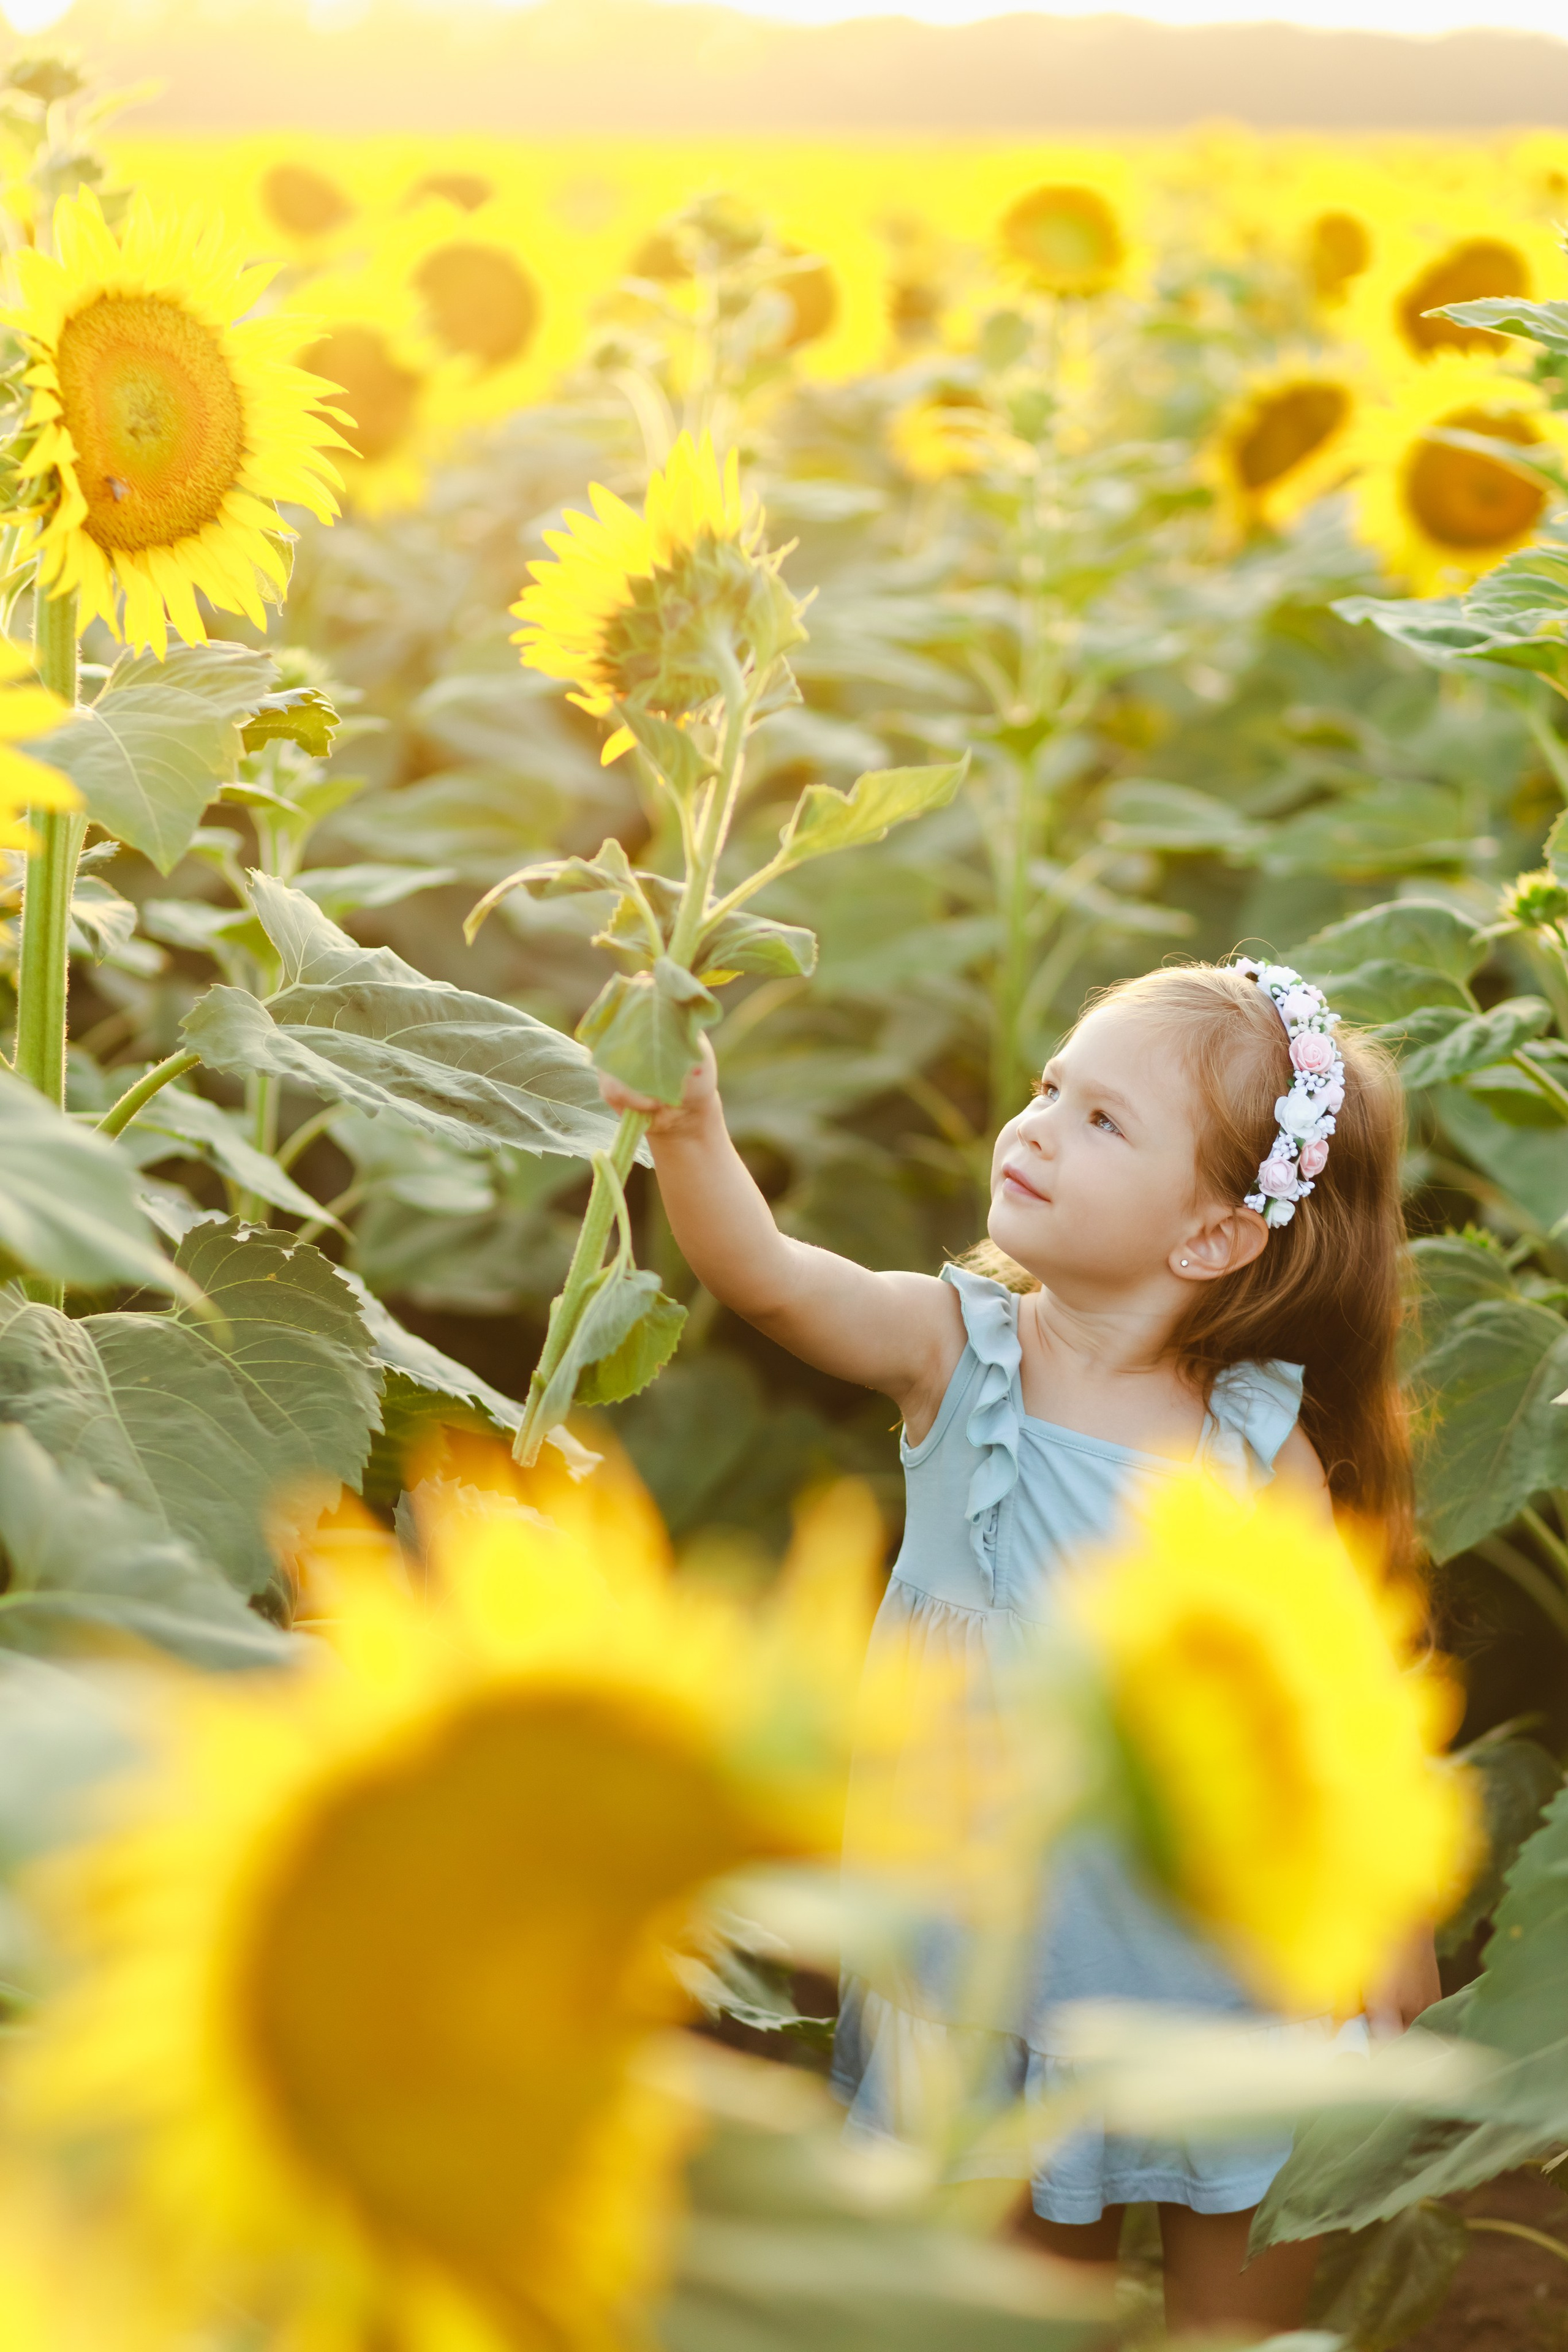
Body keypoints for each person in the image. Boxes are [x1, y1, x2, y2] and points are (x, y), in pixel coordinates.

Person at [597, 955, 1439, 2337]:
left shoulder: (1248, 1443)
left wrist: (1385, 1913)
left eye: (1103, 1121)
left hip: (1202, 1939)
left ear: (1212, 1239)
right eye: (1052, 1087)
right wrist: (690, 1132)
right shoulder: (959, 1350)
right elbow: (768, 1281)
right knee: (1009, 2302)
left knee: (1240, 2284)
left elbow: (1328, 1687)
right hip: (981, 1939)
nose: (1037, 1123)